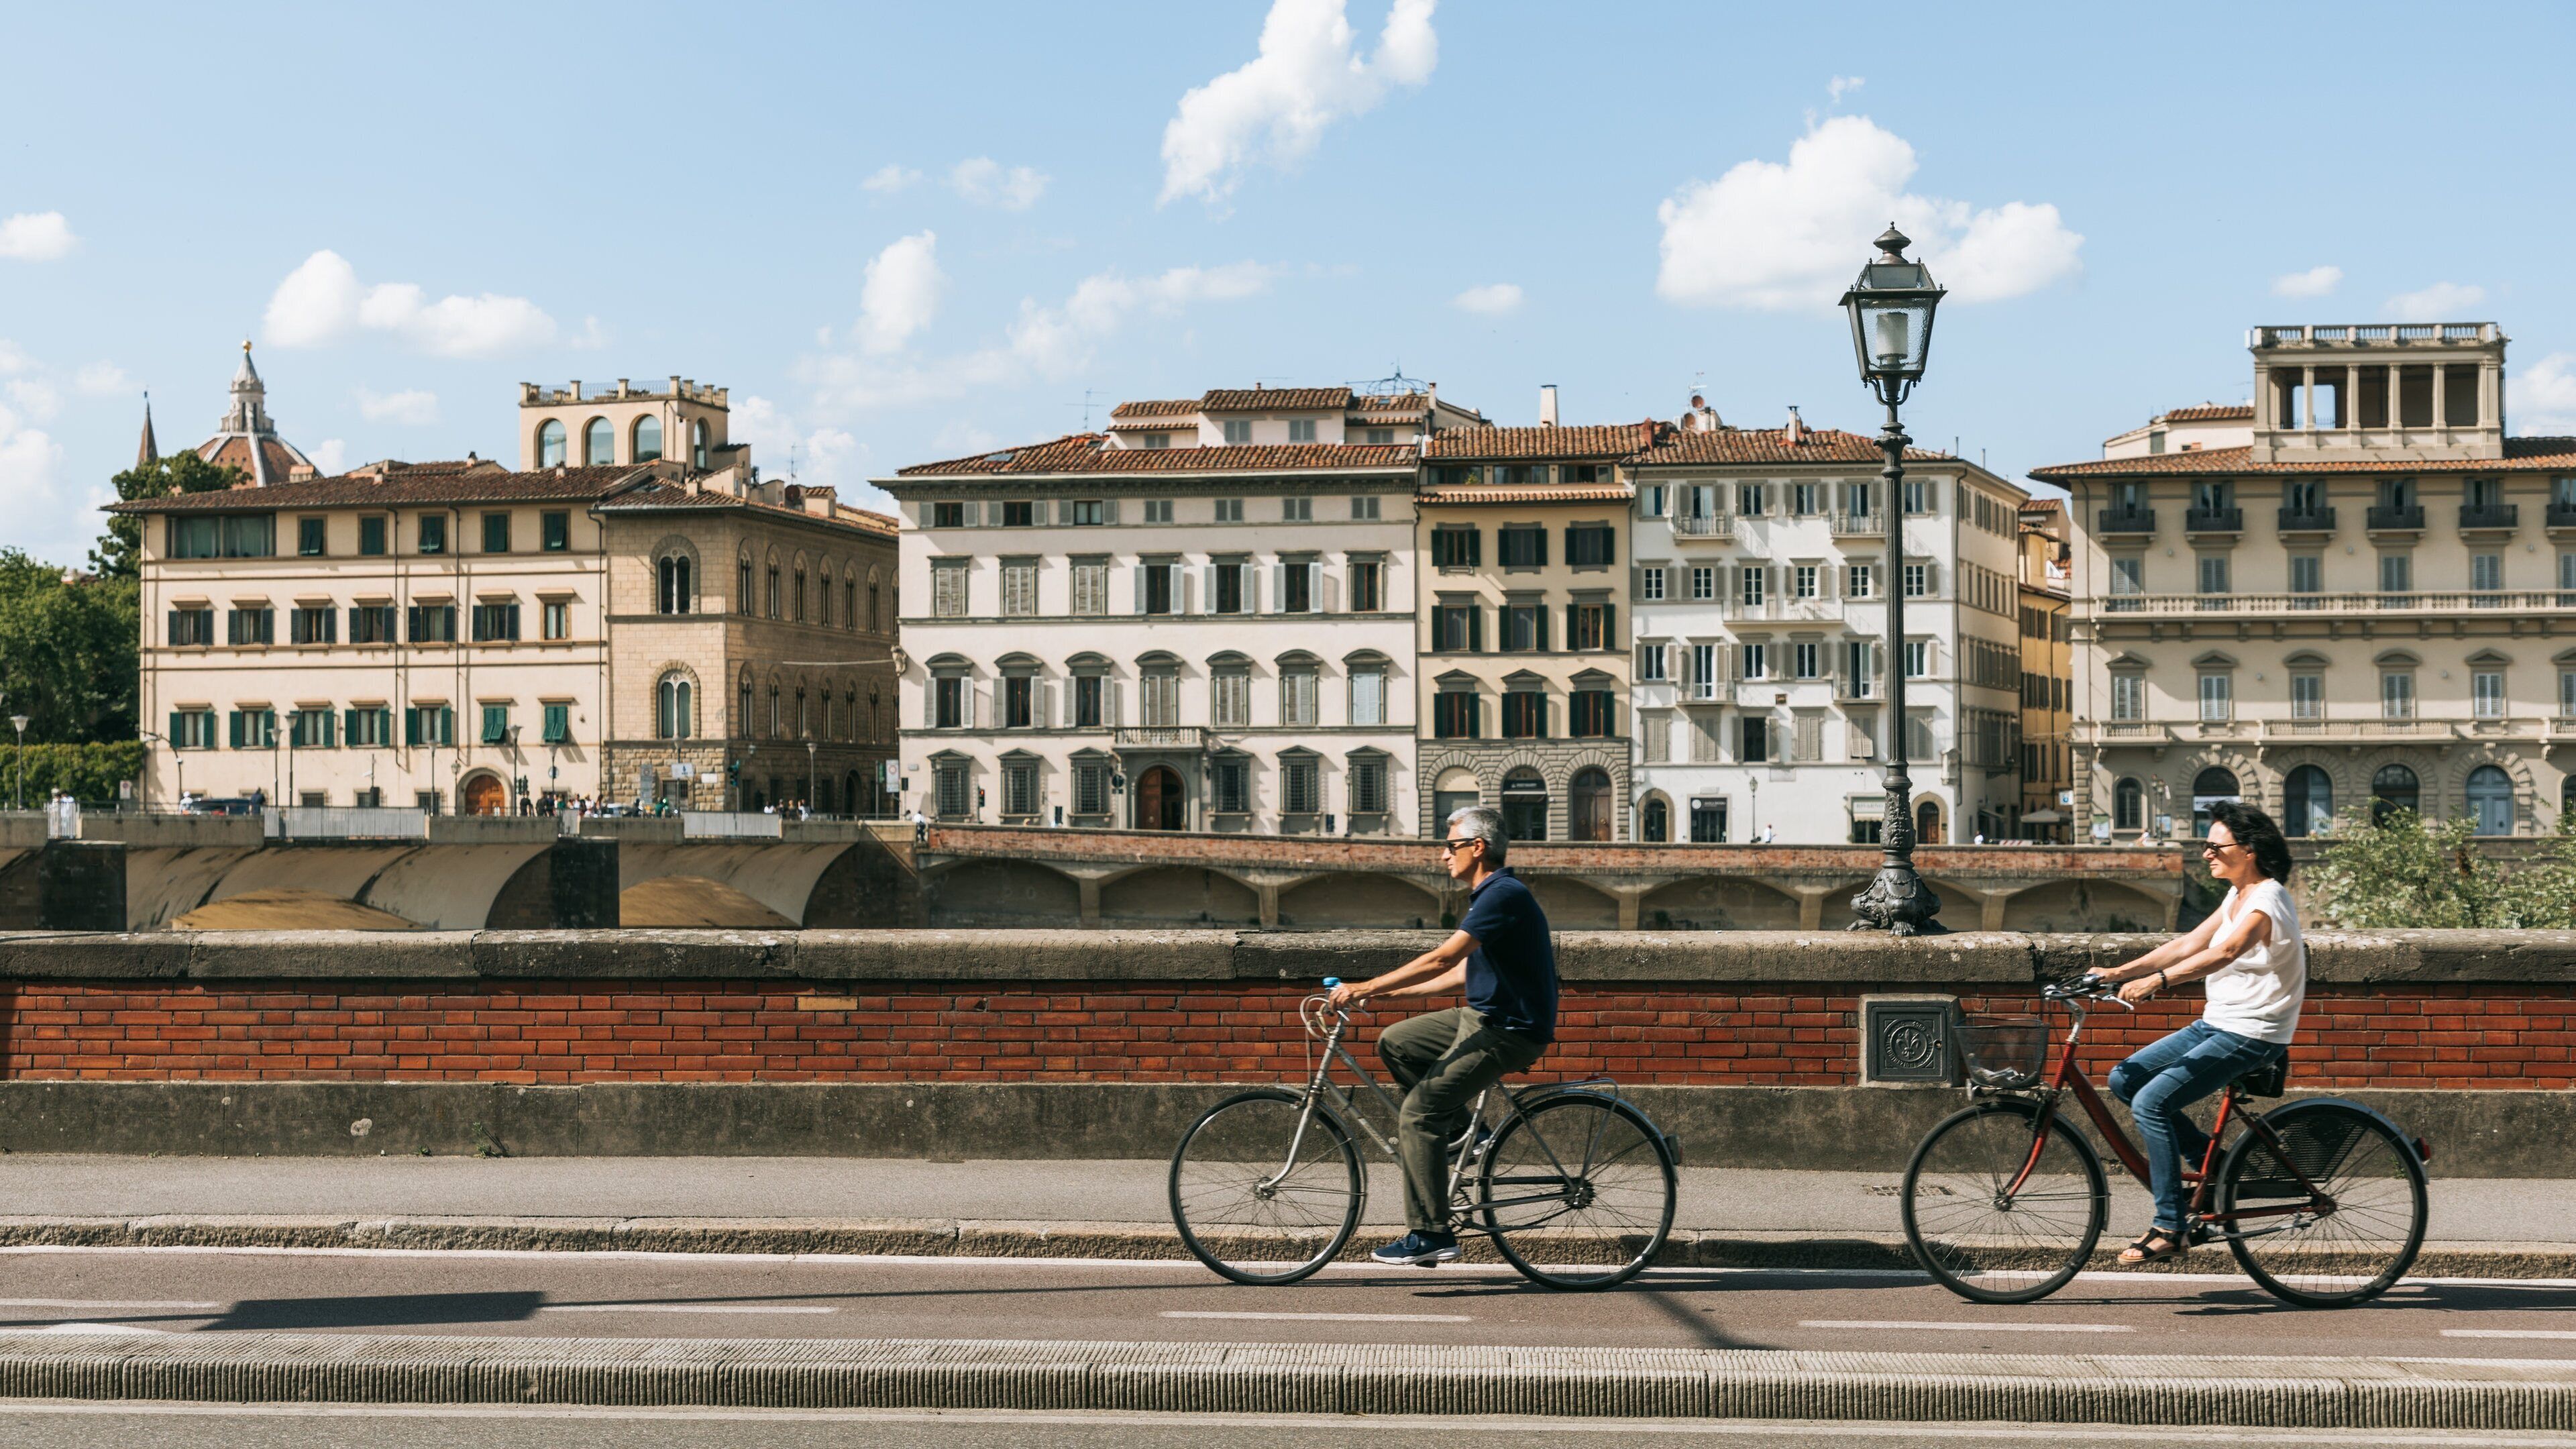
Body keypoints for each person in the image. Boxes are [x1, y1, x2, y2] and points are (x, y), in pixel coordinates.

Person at [1327, 804, 1557, 1266]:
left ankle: (1432, 1233)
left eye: (1451, 846)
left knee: (1417, 1115)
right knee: (1396, 1043)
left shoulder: (1502, 894)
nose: (1443, 855)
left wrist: (1366, 986)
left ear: (1478, 847)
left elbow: (1442, 959)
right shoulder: (1490, 896)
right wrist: (1391, 995)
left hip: (1510, 1030)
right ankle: (1466, 1134)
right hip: (1484, 1017)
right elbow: (1462, 975)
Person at [2089, 800, 2304, 1265]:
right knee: (2125, 1079)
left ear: (2248, 850)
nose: (2206, 854)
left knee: (2152, 1103)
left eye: (2215, 847)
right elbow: (2190, 943)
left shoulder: (2267, 899)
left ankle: (2170, 1225)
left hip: (2254, 1031)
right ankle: (2219, 1168)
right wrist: (2117, 972)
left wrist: (2158, 982)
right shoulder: (2237, 895)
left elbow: (2226, 951)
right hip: (2219, 1022)